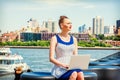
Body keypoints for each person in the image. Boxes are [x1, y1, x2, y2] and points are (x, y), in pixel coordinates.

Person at [49, 16, 84, 80]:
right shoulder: (54, 38)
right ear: (61, 25)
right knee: (74, 74)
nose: (70, 25)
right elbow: (51, 58)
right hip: (60, 68)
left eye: (71, 23)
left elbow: (76, 56)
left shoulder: (74, 39)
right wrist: (63, 65)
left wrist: (79, 63)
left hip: (72, 67)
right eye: (68, 23)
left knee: (80, 74)